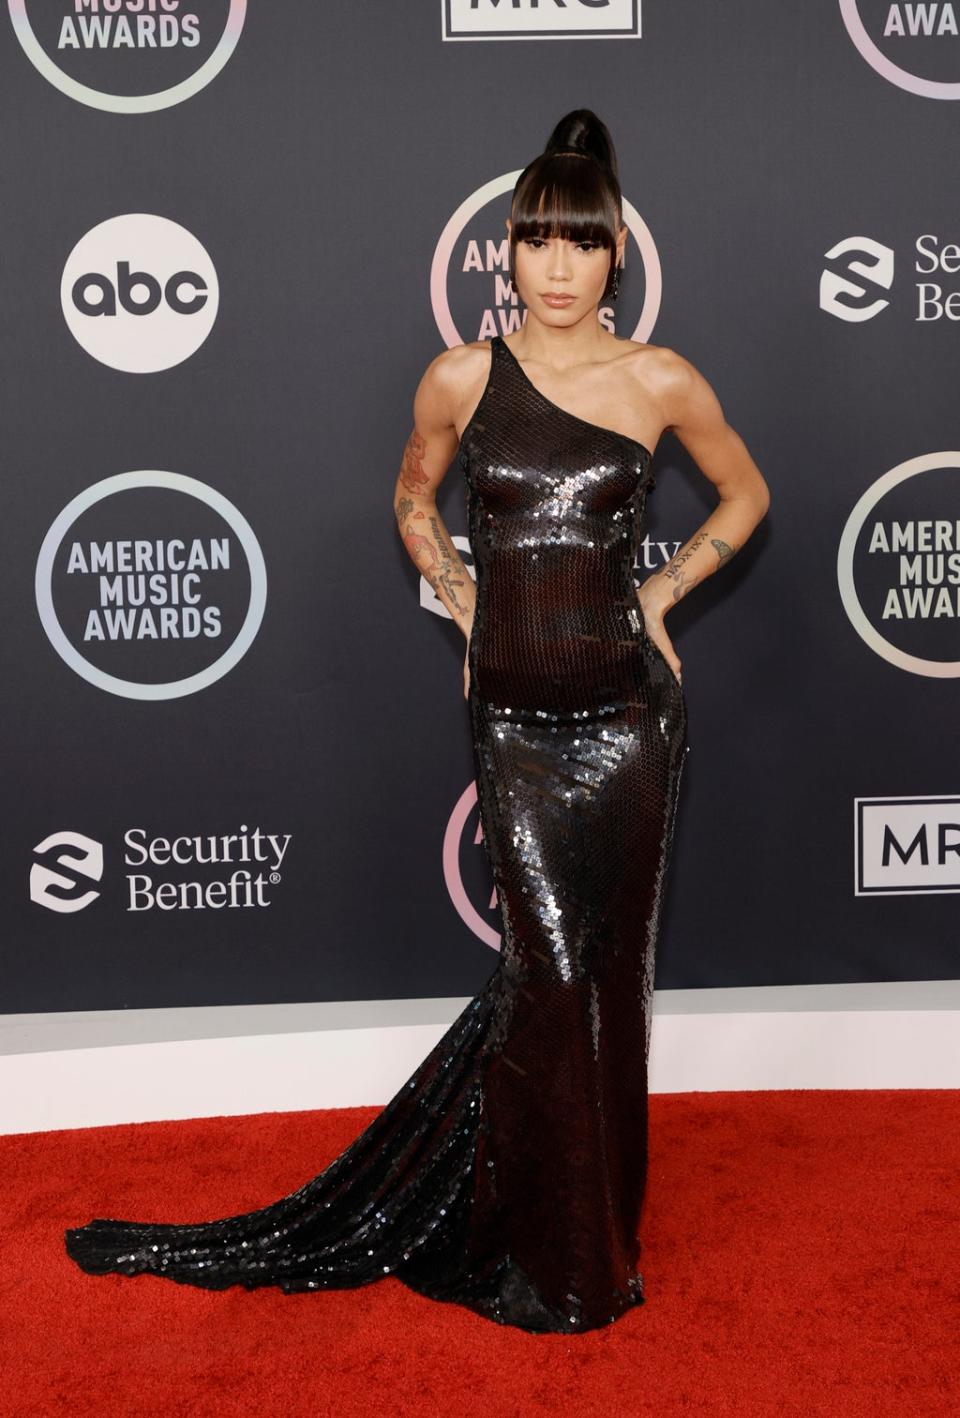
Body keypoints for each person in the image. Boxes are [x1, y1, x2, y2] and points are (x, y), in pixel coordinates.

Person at [64, 108, 770, 1334]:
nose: (556, 267)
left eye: (579, 243)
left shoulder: (662, 378)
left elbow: (747, 489)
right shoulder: (461, 374)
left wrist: (660, 587)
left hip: (630, 722)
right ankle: (529, 1238)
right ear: (506, 251)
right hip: (514, 718)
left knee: (605, 978)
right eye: (534, 241)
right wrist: (457, 592)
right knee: (546, 969)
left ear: (617, 255)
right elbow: (411, 492)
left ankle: (590, 1244)